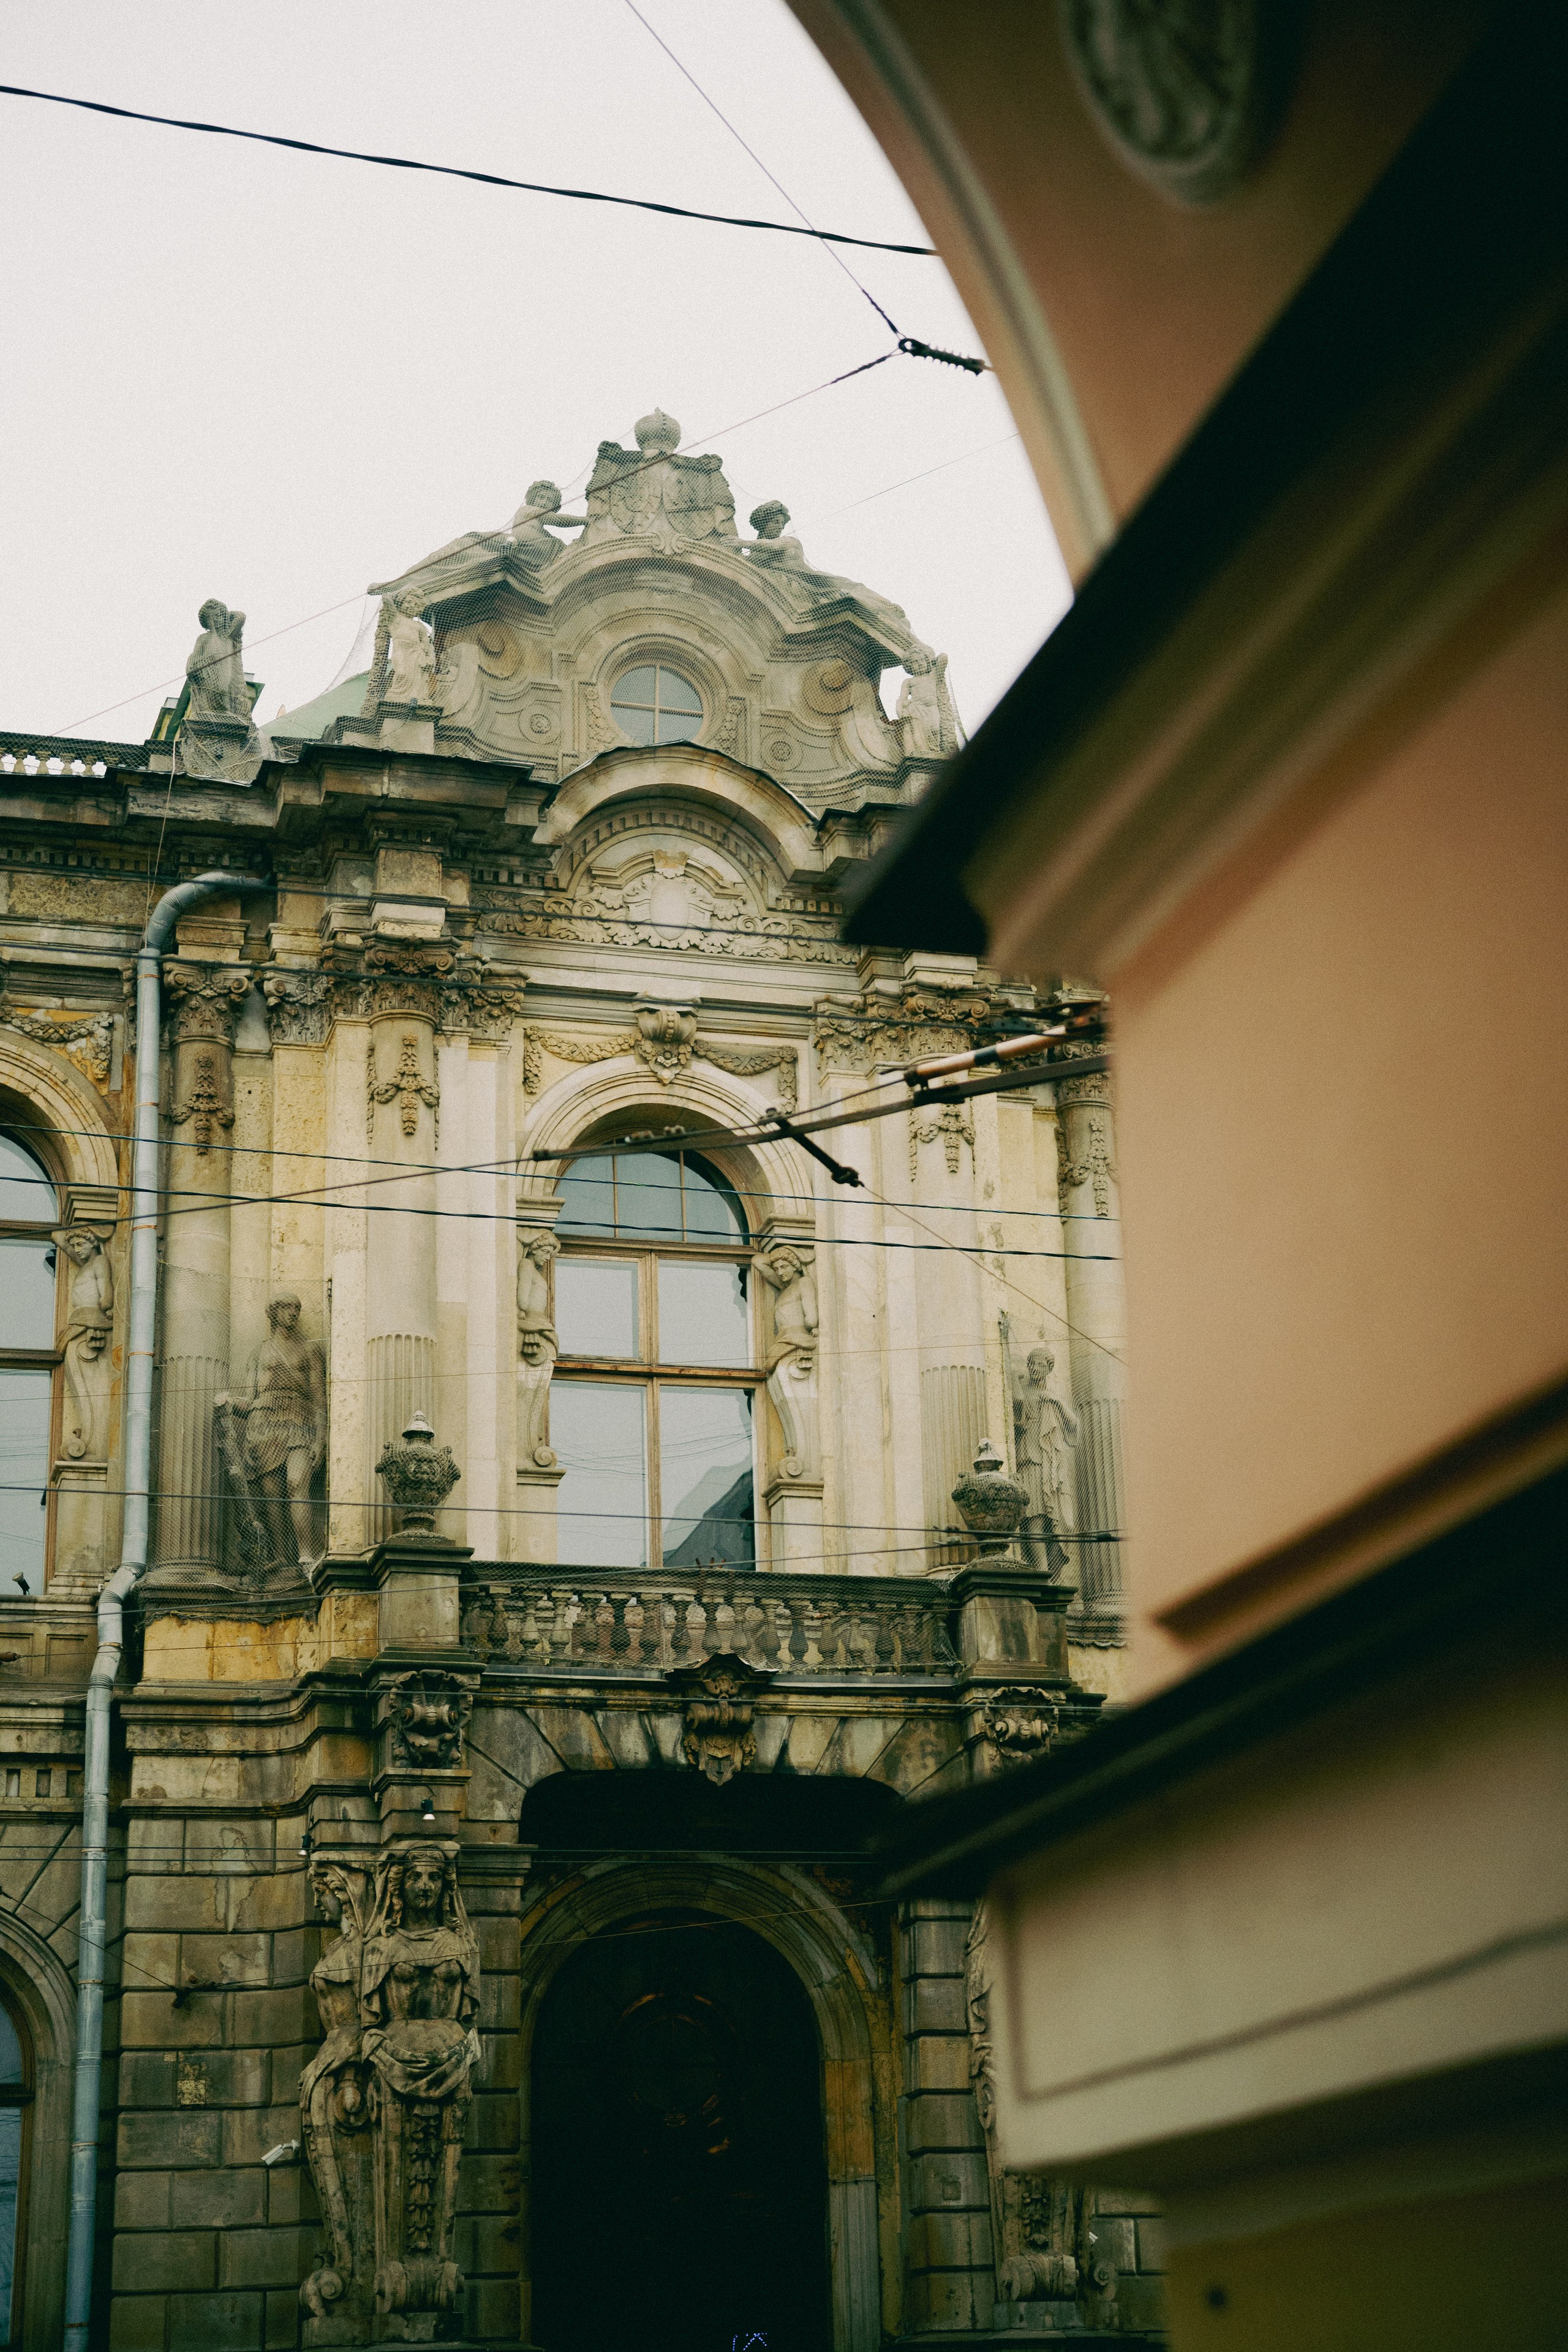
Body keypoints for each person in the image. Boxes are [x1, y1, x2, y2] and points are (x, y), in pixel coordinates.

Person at [224, 1294, 327, 1570]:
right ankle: (283, 1557)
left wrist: (321, 1437)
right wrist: (230, 1403)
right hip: (264, 1424)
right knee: (272, 1495)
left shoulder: (310, 1349)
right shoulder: (261, 1351)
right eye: (286, 1308)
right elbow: (251, 1399)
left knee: (296, 1483)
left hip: (299, 1419)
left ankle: (307, 1555)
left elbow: (319, 1397)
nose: (293, 1313)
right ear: (274, 1312)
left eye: (297, 1307)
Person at [185, 600, 251, 721]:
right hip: (207, 672)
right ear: (208, 622)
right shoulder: (204, 638)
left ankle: (224, 715)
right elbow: (195, 657)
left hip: (225, 670)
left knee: (224, 691)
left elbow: (241, 616)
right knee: (213, 693)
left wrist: (224, 613)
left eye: (220, 615)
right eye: (213, 617)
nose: (217, 619)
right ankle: (212, 716)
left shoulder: (229, 636)